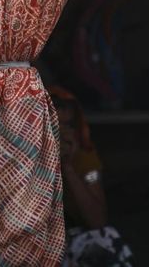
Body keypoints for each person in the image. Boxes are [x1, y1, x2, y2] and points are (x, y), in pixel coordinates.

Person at [48, 86, 134, 267]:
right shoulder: (22, 157)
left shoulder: (85, 158)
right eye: (55, 124)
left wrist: (68, 168)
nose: (63, 132)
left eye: (69, 125)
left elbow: (97, 221)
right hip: (38, 244)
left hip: (73, 241)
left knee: (106, 241)